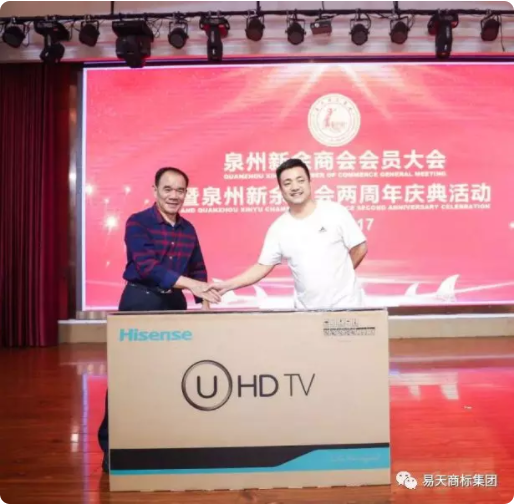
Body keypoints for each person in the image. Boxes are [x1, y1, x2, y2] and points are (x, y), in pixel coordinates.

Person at [98, 167, 220, 473]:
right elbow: (147, 267)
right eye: (168, 189)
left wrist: (205, 307)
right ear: (155, 191)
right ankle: (113, 447)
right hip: (140, 301)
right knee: (128, 377)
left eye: (180, 190)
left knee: (171, 376)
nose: (174, 196)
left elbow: (198, 268)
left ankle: (163, 442)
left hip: (174, 305)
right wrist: (192, 285)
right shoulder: (138, 223)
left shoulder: (188, 229)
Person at [205, 158, 367, 310]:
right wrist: (227, 285)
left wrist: (341, 274)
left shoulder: (335, 211)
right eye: (287, 183)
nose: (295, 187)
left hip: (347, 306)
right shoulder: (279, 228)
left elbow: (360, 247)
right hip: (306, 311)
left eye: (300, 180)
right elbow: (262, 267)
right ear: (281, 190)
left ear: (310, 183)